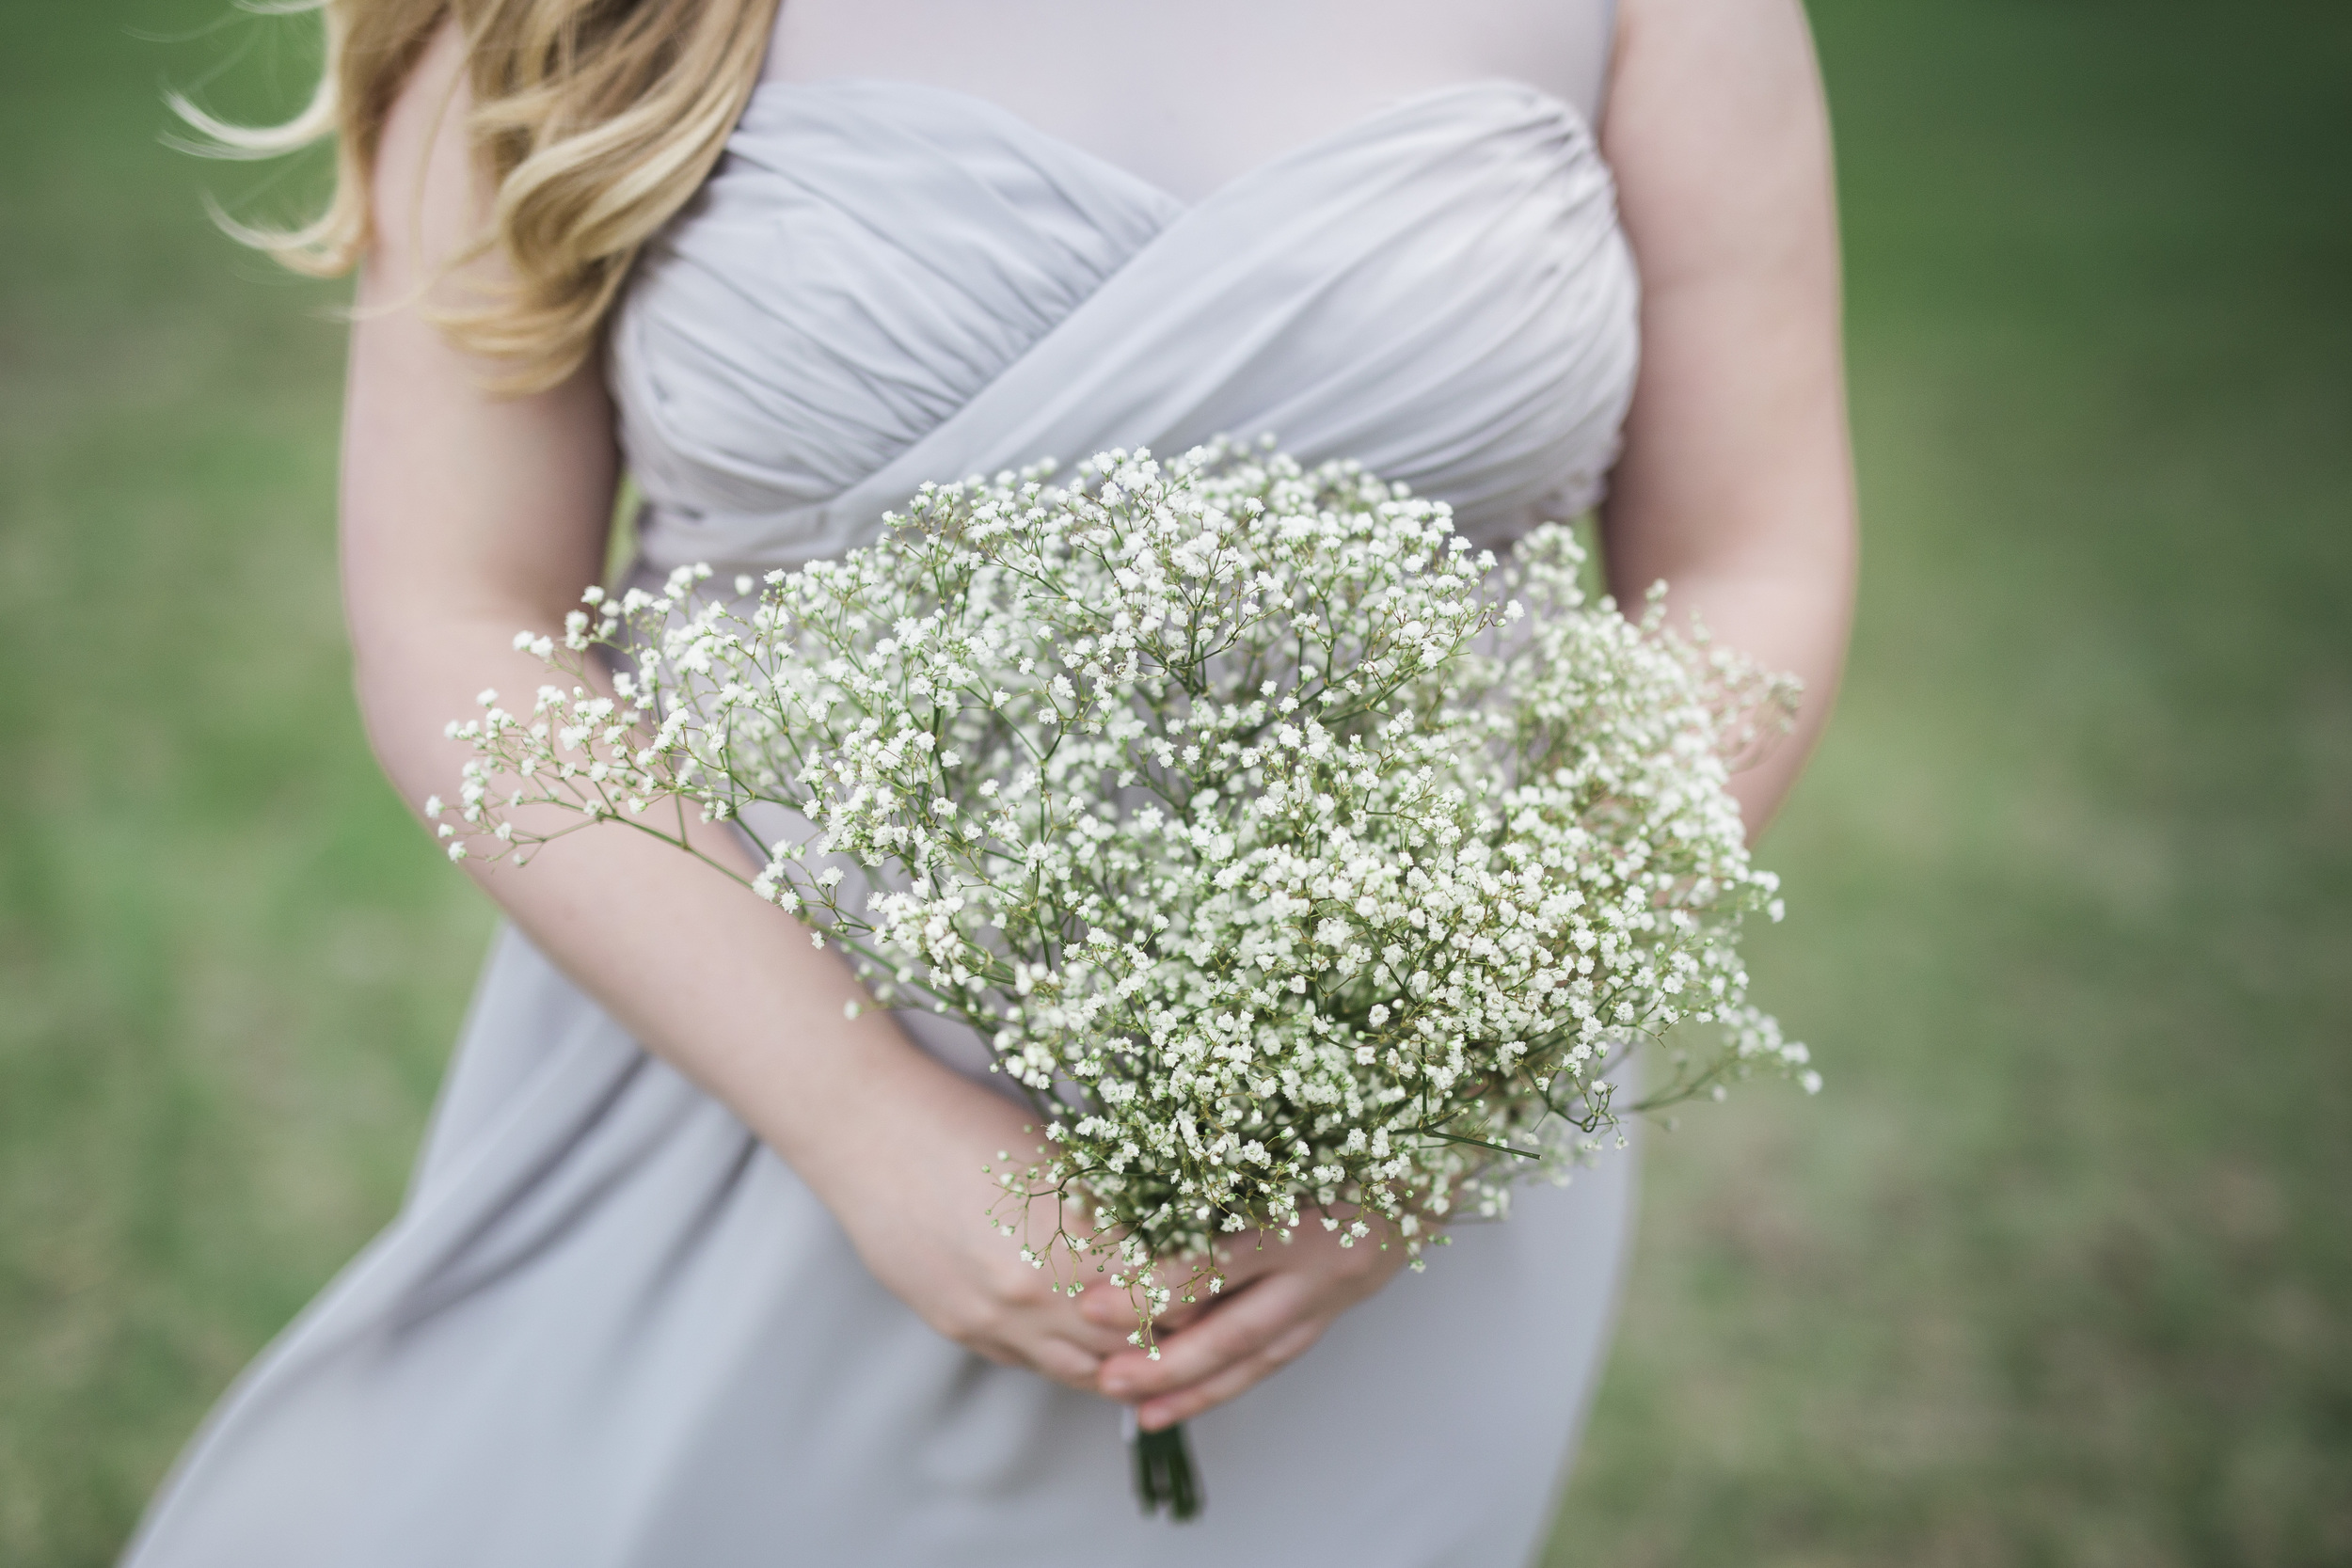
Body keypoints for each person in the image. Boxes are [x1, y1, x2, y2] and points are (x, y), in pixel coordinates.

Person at [128, 0, 1854, 1562]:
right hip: (732, 1090)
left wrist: (1445, 1091)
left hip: (1381, 1189)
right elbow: (456, 614)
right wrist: (869, 1126)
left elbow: (1748, 563)